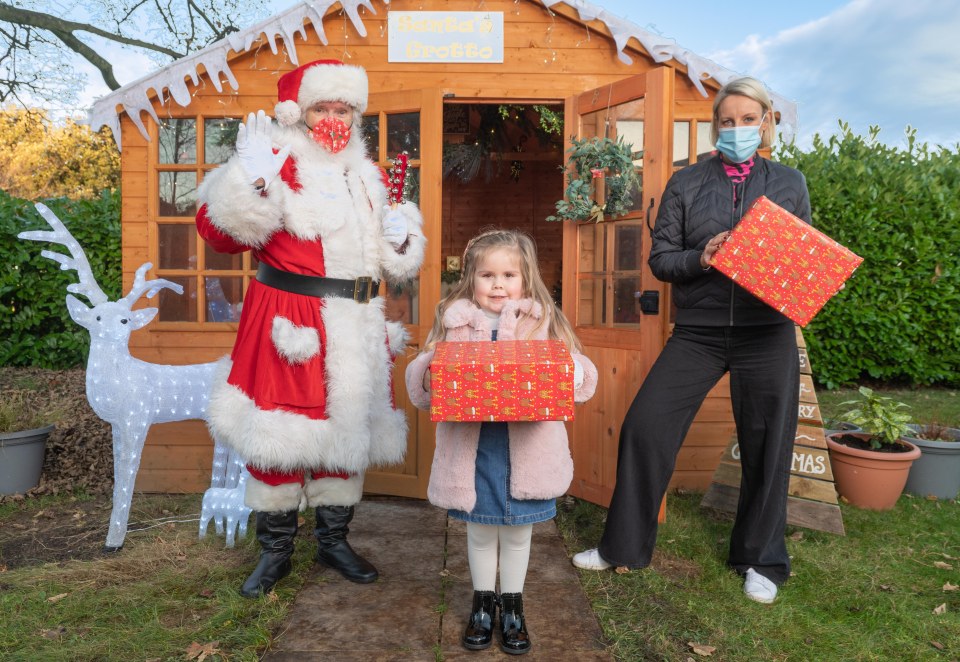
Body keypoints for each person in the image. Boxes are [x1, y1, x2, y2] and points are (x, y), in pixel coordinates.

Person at [572, 76, 811, 605]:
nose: (738, 129)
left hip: (766, 332)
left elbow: (800, 262)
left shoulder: (790, 183)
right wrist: (703, 256)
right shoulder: (686, 183)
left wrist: (790, 282)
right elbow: (661, 261)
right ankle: (622, 547)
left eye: (749, 120)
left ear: (766, 122)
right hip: (698, 332)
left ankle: (761, 559)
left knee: (768, 445)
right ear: (715, 126)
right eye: (727, 121)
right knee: (644, 425)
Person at [195, 59, 425, 598]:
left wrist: (400, 238)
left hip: (357, 321)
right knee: (280, 430)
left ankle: (333, 541)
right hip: (291, 320)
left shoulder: (365, 173)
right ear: (298, 112)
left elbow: (392, 264)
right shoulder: (274, 160)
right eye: (322, 107)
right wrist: (248, 180)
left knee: (345, 430)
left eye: (342, 108)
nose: (333, 118)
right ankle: (274, 550)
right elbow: (220, 234)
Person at [405, 229, 597, 654]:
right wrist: (429, 371)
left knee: (517, 533)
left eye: (509, 274)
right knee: (478, 531)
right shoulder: (453, 321)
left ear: (526, 279)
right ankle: (481, 603)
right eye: (487, 274)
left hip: (525, 448)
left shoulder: (542, 321)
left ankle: (512, 605)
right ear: (470, 278)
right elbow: (421, 386)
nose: (497, 284)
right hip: (475, 448)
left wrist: (571, 373)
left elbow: (579, 373)